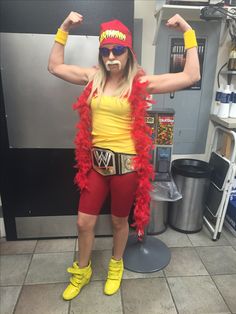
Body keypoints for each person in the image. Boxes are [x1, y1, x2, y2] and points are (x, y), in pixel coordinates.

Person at [48, 11, 200, 301]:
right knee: (84, 222)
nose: (110, 56)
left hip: (126, 168)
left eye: (117, 50)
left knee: (119, 222)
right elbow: (54, 66)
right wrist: (64, 26)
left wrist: (187, 29)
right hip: (95, 166)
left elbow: (191, 76)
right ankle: (83, 270)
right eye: (105, 51)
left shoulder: (140, 83)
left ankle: (115, 265)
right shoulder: (92, 77)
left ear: (128, 52)